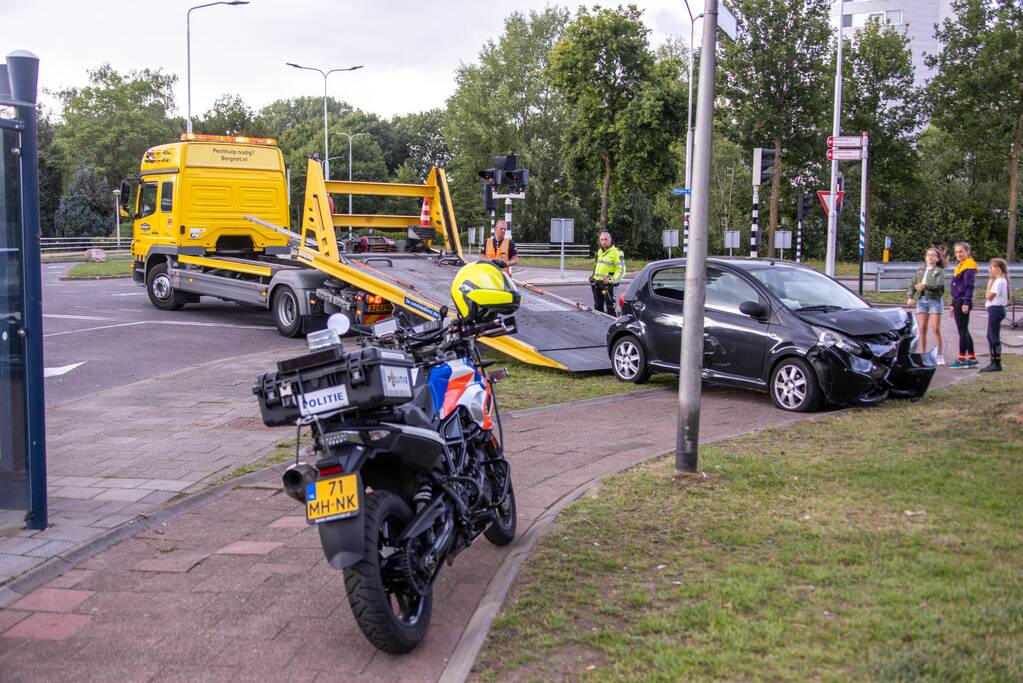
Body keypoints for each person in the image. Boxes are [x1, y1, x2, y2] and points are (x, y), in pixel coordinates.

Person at [905, 246, 946, 365]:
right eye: (928, 255)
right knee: (922, 328)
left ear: (937, 259)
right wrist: (910, 297)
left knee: (935, 328)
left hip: (935, 301)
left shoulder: (939, 271)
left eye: (933, 255)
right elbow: (912, 285)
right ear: (925, 257)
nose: (930, 257)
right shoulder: (920, 271)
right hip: (922, 301)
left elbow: (939, 285)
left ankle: (939, 355)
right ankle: (923, 354)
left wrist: (925, 286)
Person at [948, 241, 978, 368]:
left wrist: (966, 302)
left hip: (962, 300)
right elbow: (956, 287)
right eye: (956, 252)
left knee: (962, 331)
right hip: (957, 300)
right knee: (964, 330)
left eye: (961, 251)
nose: (958, 254)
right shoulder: (961, 265)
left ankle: (961, 359)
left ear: (967, 252)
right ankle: (971, 357)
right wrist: (952, 304)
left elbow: (969, 286)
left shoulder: (969, 266)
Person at [980, 257, 1010, 373]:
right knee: (990, 336)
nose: (990, 270)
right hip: (994, 309)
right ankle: (993, 361)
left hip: (996, 309)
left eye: (992, 267)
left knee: (994, 336)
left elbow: (988, 296)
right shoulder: (1001, 280)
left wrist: (989, 282)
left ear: (998, 269)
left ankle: (997, 363)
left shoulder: (999, 281)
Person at [590, 231, 625, 316]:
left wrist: (611, 280)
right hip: (597, 284)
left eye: (605, 239)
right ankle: (599, 323)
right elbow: (597, 266)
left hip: (608, 285)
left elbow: (621, 271)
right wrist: (593, 276)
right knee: (597, 307)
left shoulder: (617, 252)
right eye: (601, 240)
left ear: (610, 240)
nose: (603, 242)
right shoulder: (600, 251)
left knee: (610, 307)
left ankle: (613, 323)